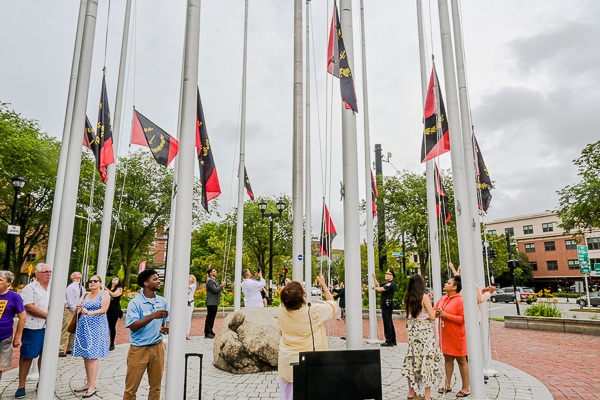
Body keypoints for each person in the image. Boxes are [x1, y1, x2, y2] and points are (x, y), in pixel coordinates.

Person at [278, 275, 338, 400]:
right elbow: (332, 305)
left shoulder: (281, 309)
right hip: (308, 364)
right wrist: (324, 286)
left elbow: (288, 298)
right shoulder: (313, 312)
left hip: (287, 362)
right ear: (303, 294)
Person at [123, 269, 169, 400]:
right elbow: (133, 326)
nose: (158, 281)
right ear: (146, 283)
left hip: (158, 347)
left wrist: (166, 328)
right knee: (131, 389)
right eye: (155, 279)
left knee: (156, 387)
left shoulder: (162, 301)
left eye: (158, 279)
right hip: (138, 349)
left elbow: (167, 320)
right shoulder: (135, 303)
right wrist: (153, 316)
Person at [400, 274, 444, 400]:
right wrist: (433, 307)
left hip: (413, 332)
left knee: (412, 360)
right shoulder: (424, 297)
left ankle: (411, 392)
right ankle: (428, 397)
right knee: (427, 361)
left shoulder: (408, 296)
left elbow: (414, 313)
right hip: (425, 333)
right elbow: (431, 316)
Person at [16, 263, 51, 398]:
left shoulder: (53, 287)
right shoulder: (30, 288)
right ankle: (21, 385)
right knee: (28, 355)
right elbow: (29, 306)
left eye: (49, 271)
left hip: (49, 328)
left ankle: (42, 381)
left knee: (46, 355)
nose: (48, 273)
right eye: (45, 271)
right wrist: (49, 317)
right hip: (34, 327)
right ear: (37, 274)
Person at [72, 274, 110, 398]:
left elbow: (104, 309)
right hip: (84, 327)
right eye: (90, 281)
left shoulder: (104, 294)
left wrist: (89, 312)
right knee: (86, 356)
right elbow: (77, 310)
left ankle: (92, 385)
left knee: (93, 356)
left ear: (100, 283)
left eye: (95, 281)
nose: (92, 283)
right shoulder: (85, 295)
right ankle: (88, 383)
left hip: (96, 327)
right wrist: (78, 308)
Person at [434, 275, 469, 397]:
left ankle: (466, 387)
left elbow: (463, 319)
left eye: (448, 283)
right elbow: (434, 311)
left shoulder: (460, 300)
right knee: (447, 359)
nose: (445, 284)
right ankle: (447, 385)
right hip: (445, 335)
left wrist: (446, 315)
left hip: (457, 335)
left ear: (455, 287)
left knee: (461, 360)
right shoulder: (442, 299)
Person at [0, 271, 25, 383]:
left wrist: (17, 337)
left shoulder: (14, 297)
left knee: (0, 367)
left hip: (4, 337)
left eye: (1, 280)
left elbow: (23, 317)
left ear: (8, 283)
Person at [60, 272, 83, 357]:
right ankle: (61, 348)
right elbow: (70, 300)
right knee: (66, 329)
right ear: (73, 277)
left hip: (78, 310)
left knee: (74, 329)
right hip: (71, 309)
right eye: (76, 273)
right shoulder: (70, 287)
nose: (79, 273)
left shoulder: (82, 287)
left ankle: (70, 347)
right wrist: (75, 309)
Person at [371, 269, 397, 346]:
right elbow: (378, 285)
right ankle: (393, 340)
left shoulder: (390, 284)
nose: (386, 275)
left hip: (387, 305)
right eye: (386, 274)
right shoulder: (387, 283)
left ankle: (389, 341)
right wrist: (374, 278)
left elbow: (381, 289)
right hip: (386, 305)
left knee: (387, 322)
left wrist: (373, 288)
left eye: (388, 274)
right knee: (389, 322)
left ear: (391, 276)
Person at [205, 267, 225, 339]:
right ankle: (207, 332)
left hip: (214, 302)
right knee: (210, 317)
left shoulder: (213, 280)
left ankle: (210, 331)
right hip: (211, 302)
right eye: (214, 271)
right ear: (210, 273)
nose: (216, 272)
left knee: (212, 317)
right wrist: (222, 286)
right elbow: (215, 290)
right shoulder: (210, 280)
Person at [106, 277, 123, 351]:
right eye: (113, 279)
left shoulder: (119, 289)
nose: (114, 280)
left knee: (112, 326)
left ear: (118, 282)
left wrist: (105, 288)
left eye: (116, 279)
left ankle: (112, 343)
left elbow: (113, 295)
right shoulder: (108, 287)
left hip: (114, 309)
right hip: (107, 308)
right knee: (105, 325)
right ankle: (104, 343)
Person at [187, 275, 197, 340]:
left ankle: (187, 333)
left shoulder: (193, 285)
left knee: (188, 318)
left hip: (189, 303)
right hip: (184, 302)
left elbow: (188, 287)